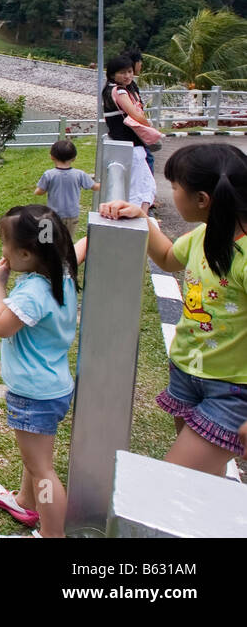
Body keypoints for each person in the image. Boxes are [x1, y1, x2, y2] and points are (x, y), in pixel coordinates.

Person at [99, 143, 247, 476]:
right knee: (202, 483)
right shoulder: (204, 235)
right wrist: (142, 217)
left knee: (176, 481)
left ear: (202, 200)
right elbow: (167, 258)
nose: (172, 192)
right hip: (188, 373)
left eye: (175, 186)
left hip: (231, 390)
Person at [0, 205, 89, 538]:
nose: (3, 251)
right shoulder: (62, 268)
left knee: (42, 470)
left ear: (27, 253)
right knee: (35, 461)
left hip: (33, 395)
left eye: (5, 243)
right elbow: (79, 248)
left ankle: (51, 533)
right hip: (52, 387)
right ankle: (24, 502)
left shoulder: (33, 292)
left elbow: (1, 326)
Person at [101, 54, 157, 216]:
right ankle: (140, 218)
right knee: (139, 186)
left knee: (145, 183)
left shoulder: (111, 89)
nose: (127, 76)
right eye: (123, 73)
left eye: (130, 72)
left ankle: (144, 217)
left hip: (128, 144)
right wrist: (150, 128)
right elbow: (134, 114)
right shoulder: (119, 91)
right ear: (112, 74)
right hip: (130, 145)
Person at [34, 140, 100, 237]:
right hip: (72, 215)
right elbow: (95, 187)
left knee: (48, 241)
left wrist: (36, 191)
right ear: (74, 158)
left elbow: (40, 191)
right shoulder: (80, 174)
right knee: (67, 241)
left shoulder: (49, 174)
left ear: (52, 156)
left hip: (52, 215)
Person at [124, 48, 157, 176]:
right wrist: (147, 126)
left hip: (136, 131)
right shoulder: (124, 87)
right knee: (147, 160)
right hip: (133, 131)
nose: (141, 65)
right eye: (140, 62)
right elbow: (133, 112)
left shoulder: (132, 85)